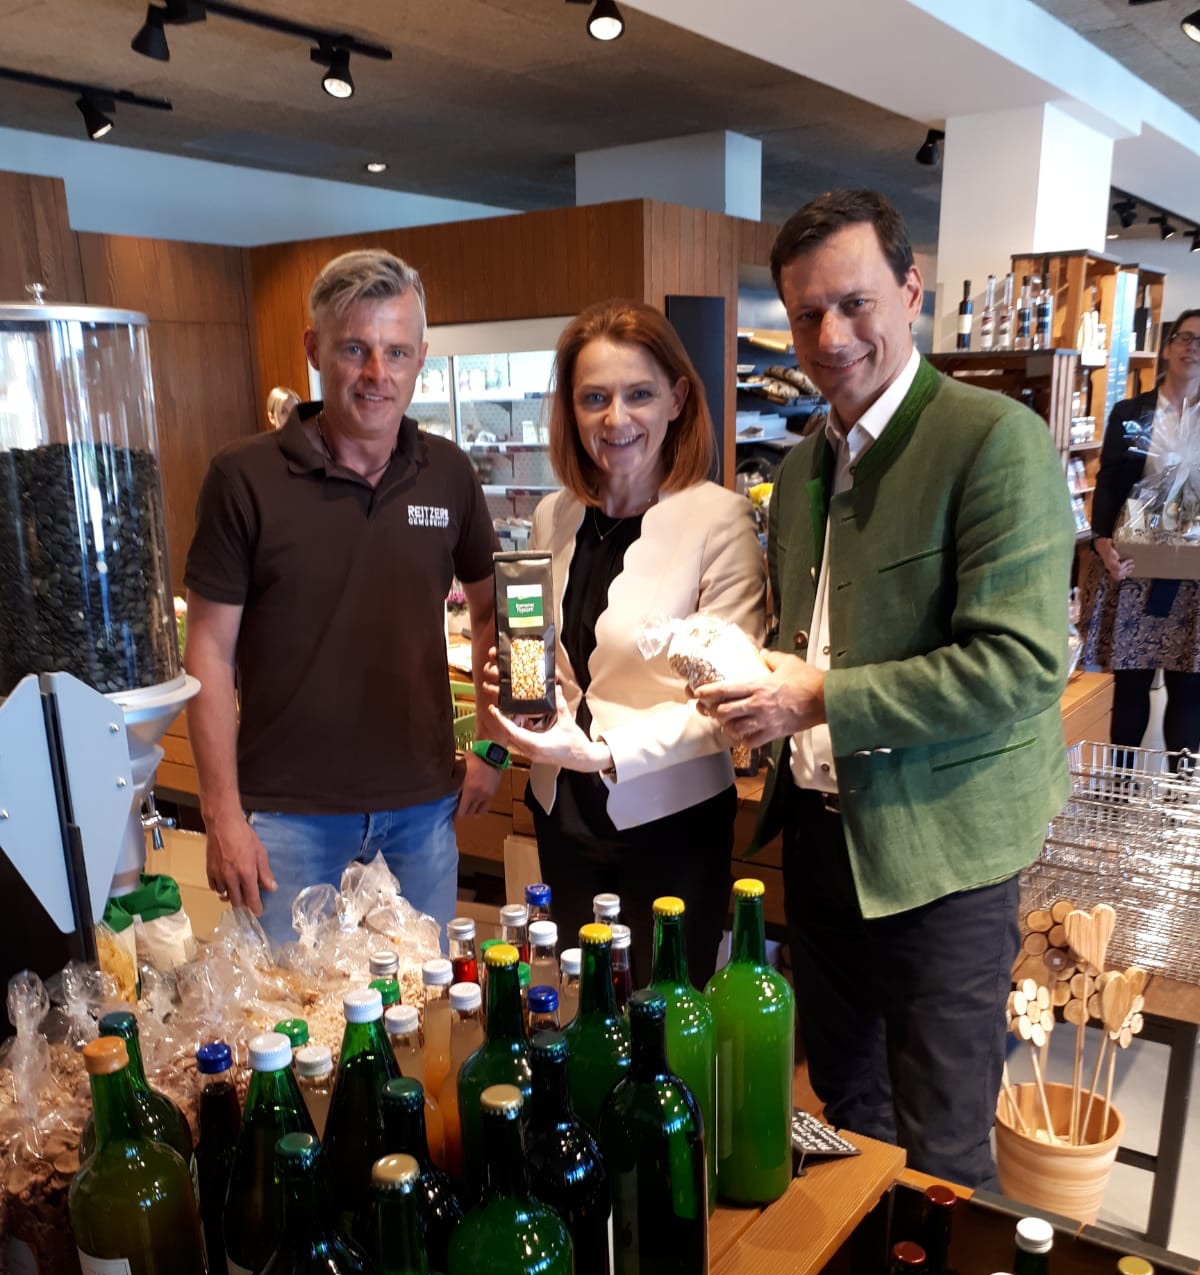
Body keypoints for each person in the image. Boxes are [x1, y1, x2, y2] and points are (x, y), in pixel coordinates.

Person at [695, 190, 1074, 1187]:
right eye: (807, 314)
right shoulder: (800, 468)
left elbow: (1021, 663)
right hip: (821, 847)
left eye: (855, 303)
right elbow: (806, 635)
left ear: (912, 291)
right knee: (847, 1113)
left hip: (944, 859)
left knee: (943, 1145)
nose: (831, 336)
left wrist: (818, 698)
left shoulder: (993, 440)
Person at [184, 249, 502, 947]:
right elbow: (206, 649)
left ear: (421, 359)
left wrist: (493, 744)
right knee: (286, 1007)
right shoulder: (244, 478)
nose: (377, 373)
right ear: (314, 350)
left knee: (422, 997)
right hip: (286, 818)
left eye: (397, 351)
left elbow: (496, 614)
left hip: (422, 812)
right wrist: (221, 814)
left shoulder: (448, 472)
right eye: (354, 348)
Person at [488, 299, 765, 984]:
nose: (616, 419)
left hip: (673, 824)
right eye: (595, 398)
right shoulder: (554, 515)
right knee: (580, 1003)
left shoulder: (719, 521)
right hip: (563, 812)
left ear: (677, 399)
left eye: (639, 394)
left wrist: (605, 752)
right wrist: (522, 687)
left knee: (663, 1017)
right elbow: (554, 660)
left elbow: (729, 704)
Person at [1079, 307, 1200, 757]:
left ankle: (1178, 792)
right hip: (1135, 563)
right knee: (1130, 686)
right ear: (1168, 347)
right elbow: (1110, 479)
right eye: (1185, 338)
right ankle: (1121, 786)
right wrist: (1101, 540)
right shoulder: (1132, 413)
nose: (1192, 348)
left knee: (1190, 689)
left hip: (1194, 572)